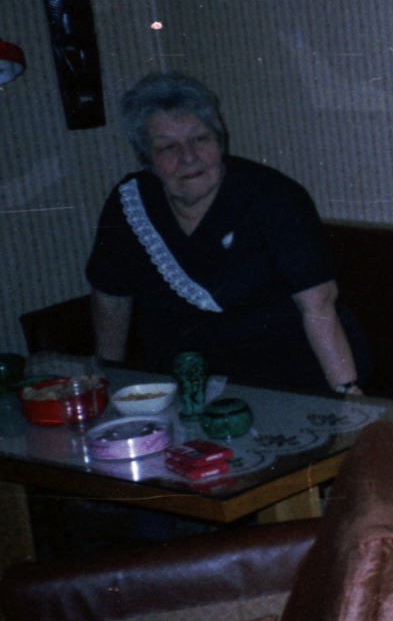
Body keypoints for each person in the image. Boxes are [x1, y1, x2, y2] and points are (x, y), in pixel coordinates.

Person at [85, 71, 365, 396]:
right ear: (146, 158)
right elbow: (110, 298)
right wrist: (109, 379)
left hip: (288, 373)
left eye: (200, 139)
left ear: (220, 139)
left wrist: (346, 391)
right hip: (175, 379)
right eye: (168, 147)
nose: (188, 157)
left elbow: (318, 305)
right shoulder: (129, 203)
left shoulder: (272, 197)